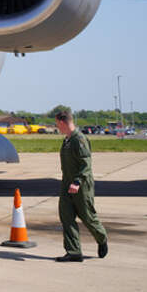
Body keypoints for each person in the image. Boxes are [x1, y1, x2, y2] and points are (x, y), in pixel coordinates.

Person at [54, 108, 109, 262]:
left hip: (81, 185)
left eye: (57, 123)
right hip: (67, 184)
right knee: (66, 216)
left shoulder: (79, 139)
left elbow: (86, 164)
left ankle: (102, 238)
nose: (57, 127)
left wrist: (77, 181)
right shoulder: (67, 140)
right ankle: (74, 251)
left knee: (87, 216)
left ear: (62, 122)